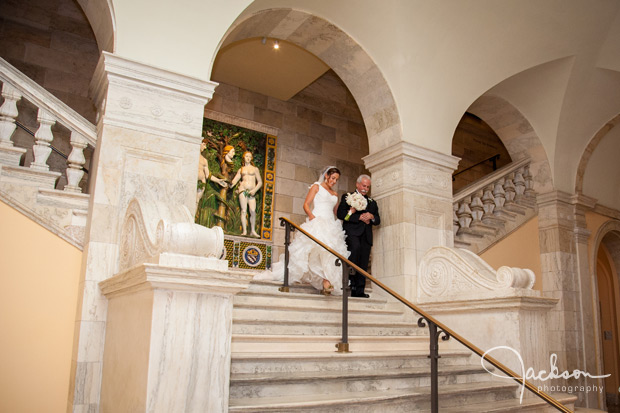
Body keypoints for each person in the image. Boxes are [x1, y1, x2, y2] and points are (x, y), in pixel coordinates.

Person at [256, 166, 350, 295]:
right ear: (327, 175)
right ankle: (325, 281)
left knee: (330, 253)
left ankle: (326, 280)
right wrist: (312, 218)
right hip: (317, 221)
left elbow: (336, 212)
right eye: (333, 178)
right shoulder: (316, 187)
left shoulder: (335, 194)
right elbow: (306, 204)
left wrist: (351, 212)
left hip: (330, 225)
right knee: (316, 251)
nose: (334, 181)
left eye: (336, 180)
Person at [336, 174, 381, 298]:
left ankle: (359, 291)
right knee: (354, 253)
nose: (365, 189)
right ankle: (350, 284)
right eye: (363, 185)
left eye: (367, 187)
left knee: (363, 261)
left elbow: (378, 220)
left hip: (366, 236)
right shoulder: (347, 197)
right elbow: (341, 214)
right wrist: (358, 217)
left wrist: (371, 217)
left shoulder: (372, 203)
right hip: (352, 233)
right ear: (357, 184)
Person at [231, 151, 263, 237]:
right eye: (246, 156)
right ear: (244, 158)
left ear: (251, 158)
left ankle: (252, 230)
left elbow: (260, 182)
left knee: (252, 211)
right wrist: (229, 184)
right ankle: (245, 231)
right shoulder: (241, 169)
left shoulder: (255, 169)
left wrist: (255, 190)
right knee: (244, 210)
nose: (248, 158)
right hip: (243, 190)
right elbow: (235, 180)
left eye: (249, 156)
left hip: (252, 192)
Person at [196, 139, 228, 209]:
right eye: (204, 145)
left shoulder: (204, 160)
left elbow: (208, 175)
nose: (205, 148)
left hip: (201, 183)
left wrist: (218, 180)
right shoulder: (191, 156)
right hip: (191, 182)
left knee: (196, 201)